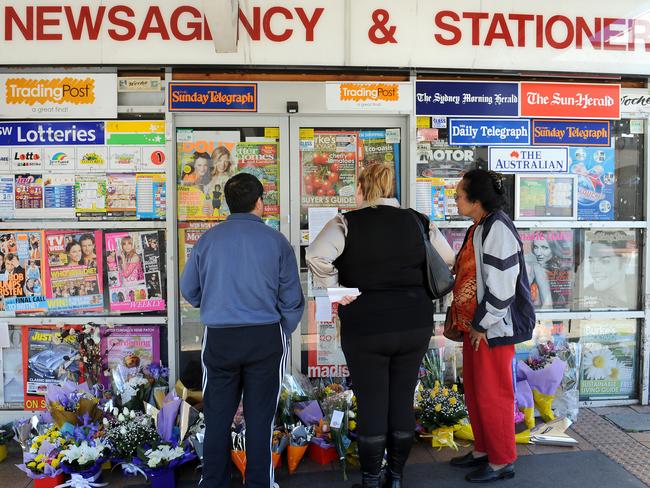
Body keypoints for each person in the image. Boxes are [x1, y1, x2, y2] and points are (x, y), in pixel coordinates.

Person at [306, 163, 455, 488]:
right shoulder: (418, 221)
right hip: (414, 323)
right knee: (401, 400)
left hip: (366, 325)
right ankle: (396, 477)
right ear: (391, 189)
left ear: (361, 188)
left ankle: (372, 480)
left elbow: (317, 254)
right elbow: (446, 258)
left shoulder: (347, 222)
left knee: (373, 401)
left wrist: (336, 289)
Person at [180, 172, 304, 488]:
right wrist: (282, 329)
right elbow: (292, 299)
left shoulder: (208, 240)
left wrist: (214, 305)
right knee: (260, 419)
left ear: (228, 204)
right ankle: (260, 483)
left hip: (220, 339)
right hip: (266, 337)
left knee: (218, 417)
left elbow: (189, 290)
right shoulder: (277, 242)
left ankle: (213, 482)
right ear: (259, 202)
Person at [446, 169, 535, 483]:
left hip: (491, 329)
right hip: (478, 327)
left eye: (458, 194)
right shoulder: (481, 226)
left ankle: (501, 461)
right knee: (476, 392)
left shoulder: (497, 228)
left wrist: (482, 325)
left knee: (494, 395)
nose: (454, 199)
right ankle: (484, 450)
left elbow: (502, 287)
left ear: (475, 199)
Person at [581, 230, 636, 309]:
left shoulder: (638, 286)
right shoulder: (588, 298)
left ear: (626, 260)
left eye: (605, 261)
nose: (594, 269)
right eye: (591, 261)